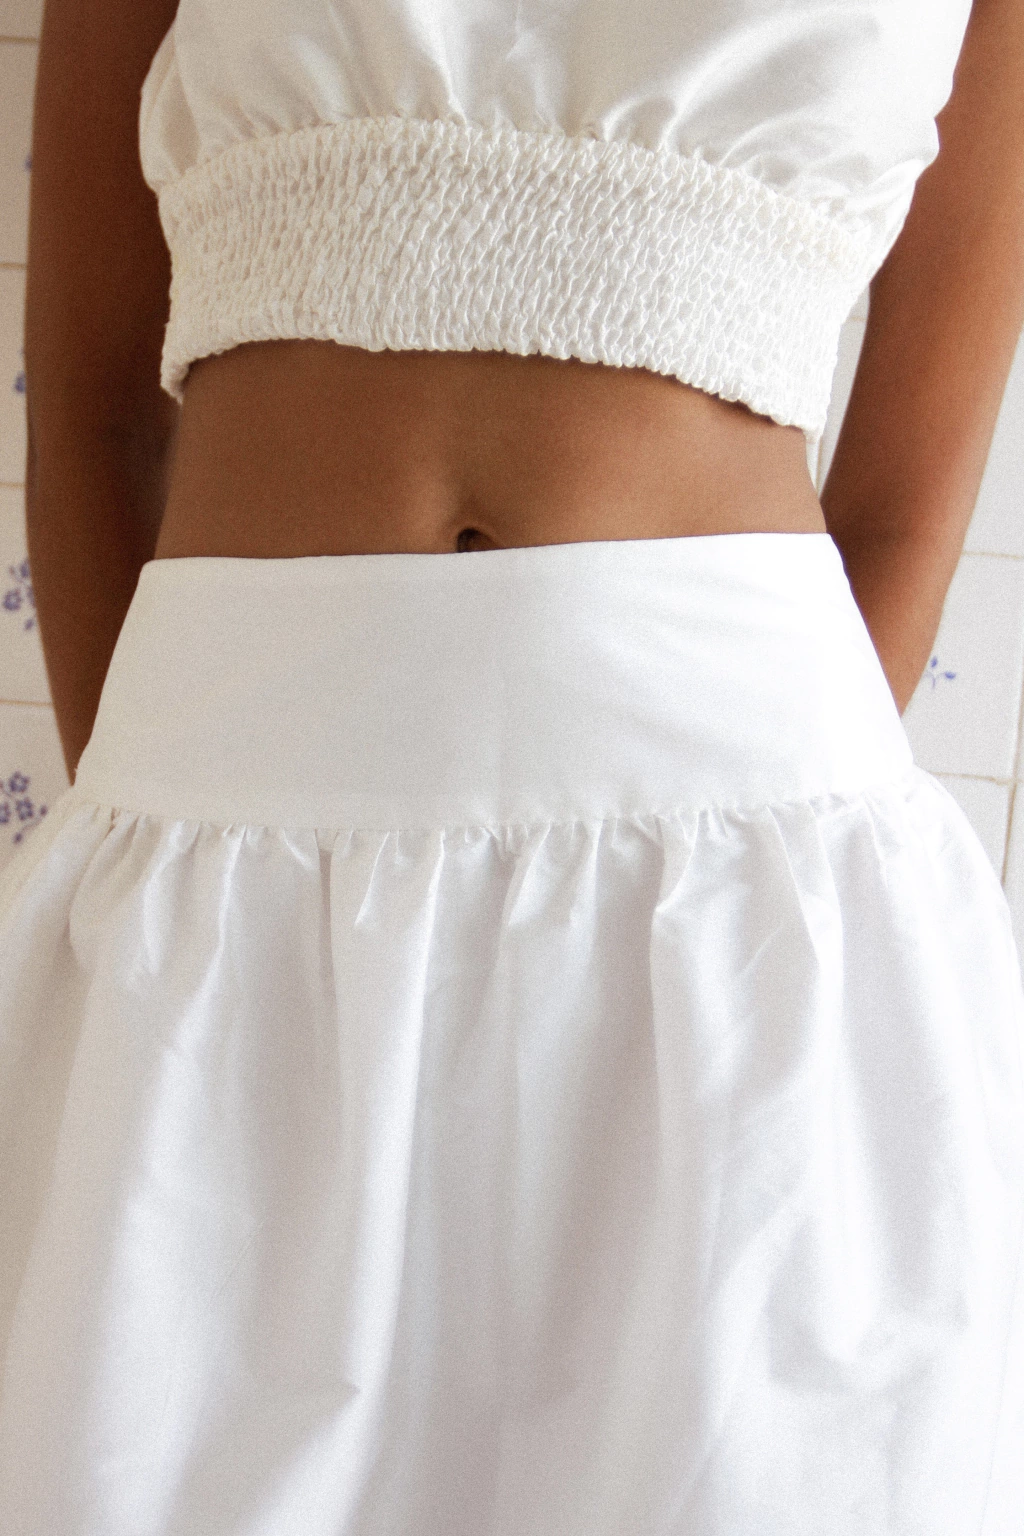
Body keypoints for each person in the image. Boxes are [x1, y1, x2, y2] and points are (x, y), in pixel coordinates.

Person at [2, 0, 1024, 1530]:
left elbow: (903, 500)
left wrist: (750, 859)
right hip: (215, 883)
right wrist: (180, 834)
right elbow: (89, 410)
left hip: (746, 915)